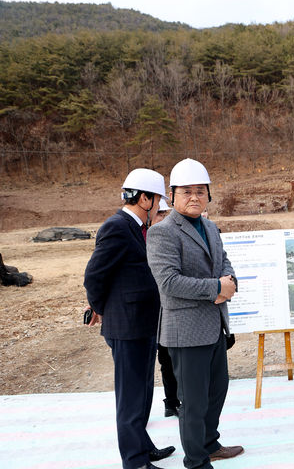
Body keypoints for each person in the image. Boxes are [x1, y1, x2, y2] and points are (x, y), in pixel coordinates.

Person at [146, 158, 243, 469]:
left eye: (201, 191)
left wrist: (230, 280)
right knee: (193, 401)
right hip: (185, 330)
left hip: (214, 326)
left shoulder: (210, 226)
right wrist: (216, 287)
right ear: (172, 196)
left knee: (218, 390)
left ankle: (209, 442)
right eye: (186, 191)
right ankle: (197, 460)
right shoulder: (163, 232)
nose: (195, 197)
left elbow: (224, 263)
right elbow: (169, 281)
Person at [83, 168, 175, 469]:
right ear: (145, 199)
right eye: (157, 198)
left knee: (143, 392)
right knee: (131, 398)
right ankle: (134, 461)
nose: (159, 205)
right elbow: (95, 274)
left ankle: (143, 447)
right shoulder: (117, 227)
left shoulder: (134, 226)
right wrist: (101, 309)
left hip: (142, 324)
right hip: (127, 326)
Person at [150, 199, 181, 418]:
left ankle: (177, 400)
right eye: (159, 213)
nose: (163, 217)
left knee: (175, 357)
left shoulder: (170, 236)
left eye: (165, 213)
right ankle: (171, 401)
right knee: (166, 359)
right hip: (155, 311)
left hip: (172, 308)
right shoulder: (145, 239)